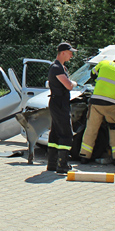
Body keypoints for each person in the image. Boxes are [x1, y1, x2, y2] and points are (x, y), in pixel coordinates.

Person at [79, 53, 115, 165]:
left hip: (96, 102)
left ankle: (84, 156)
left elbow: (92, 75)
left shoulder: (104, 63)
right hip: (112, 104)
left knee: (91, 129)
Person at [46, 42, 77, 175]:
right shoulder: (57, 67)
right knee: (66, 133)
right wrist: (74, 83)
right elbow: (68, 85)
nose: (71, 55)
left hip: (58, 102)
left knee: (56, 133)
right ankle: (62, 165)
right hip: (59, 103)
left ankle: (52, 164)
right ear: (63, 52)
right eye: (70, 53)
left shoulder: (60, 67)